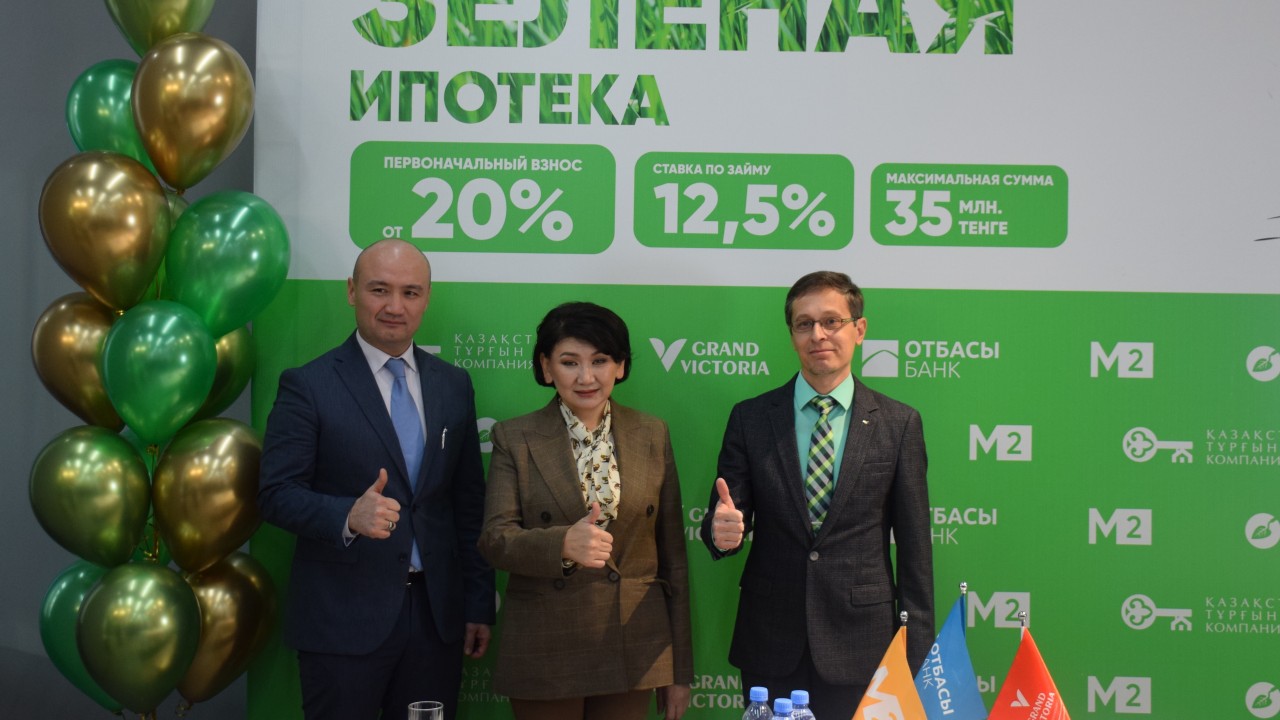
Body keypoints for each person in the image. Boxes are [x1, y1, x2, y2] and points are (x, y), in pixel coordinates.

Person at [258, 239, 495, 720]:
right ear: (351, 291)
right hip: (343, 621)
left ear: (426, 299)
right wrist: (347, 515)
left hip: (435, 619)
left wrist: (477, 603)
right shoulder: (309, 384)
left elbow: (468, 503)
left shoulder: (453, 384)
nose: (394, 306)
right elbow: (275, 493)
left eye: (410, 292)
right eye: (379, 290)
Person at [701, 271, 933, 720]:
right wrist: (720, 532)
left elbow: (915, 549)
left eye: (831, 321)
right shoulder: (751, 418)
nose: (818, 334)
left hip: (863, 642)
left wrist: (917, 652)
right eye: (804, 324)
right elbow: (726, 516)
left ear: (859, 330)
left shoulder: (899, 424)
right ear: (792, 334)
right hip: (770, 640)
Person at [478, 302, 693, 720]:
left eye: (600, 360)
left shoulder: (652, 433)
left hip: (635, 643)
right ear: (546, 367)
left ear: (620, 366)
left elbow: (674, 559)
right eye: (569, 362)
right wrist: (561, 544)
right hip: (546, 644)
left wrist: (679, 668)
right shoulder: (514, 437)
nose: (586, 377)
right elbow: (495, 540)